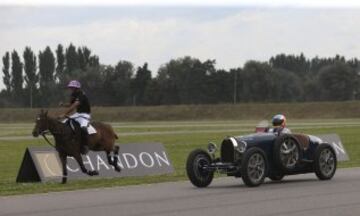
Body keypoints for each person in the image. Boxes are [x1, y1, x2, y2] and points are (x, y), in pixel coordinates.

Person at [59, 80, 91, 153]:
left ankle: (85, 146)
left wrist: (64, 114)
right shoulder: (74, 94)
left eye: (72, 87)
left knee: (83, 128)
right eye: (70, 87)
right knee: (63, 124)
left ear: (77, 88)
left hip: (85, 115)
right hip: (78, 114)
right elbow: (70, 104)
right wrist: (63, 104)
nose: (71, 89)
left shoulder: (81, 95)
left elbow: (74, 106)